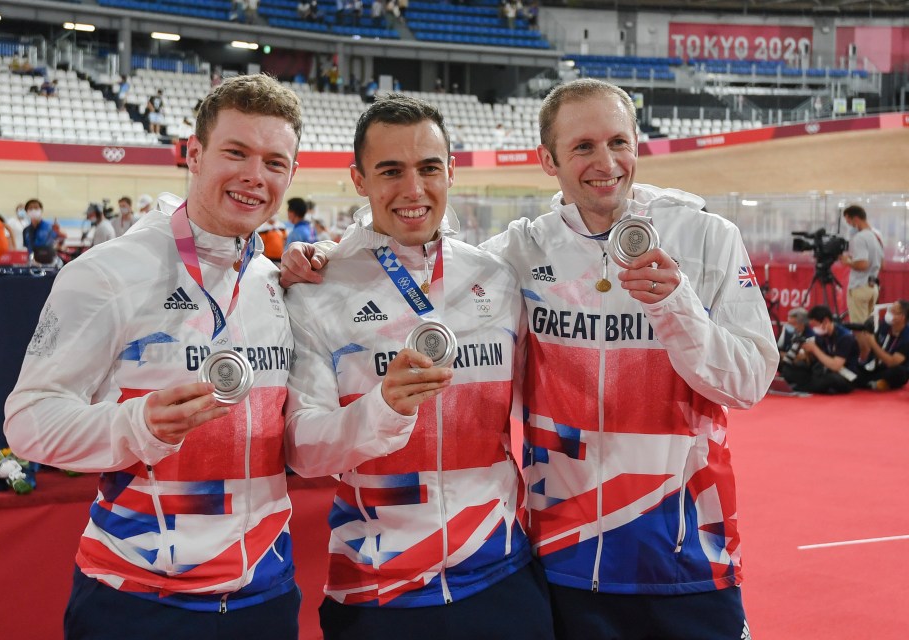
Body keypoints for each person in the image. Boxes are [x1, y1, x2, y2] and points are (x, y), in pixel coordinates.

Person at [282, 78, 778, 639]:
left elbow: (751, 382)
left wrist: (675, 305)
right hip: (563, 559)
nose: (605, 162)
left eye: (619, 141)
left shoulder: (708, 237)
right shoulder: (514, 256)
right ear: (549, 160)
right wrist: (333, 254)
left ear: (639, 144)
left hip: (688, 553)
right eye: (583, 147)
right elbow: (418, 250)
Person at [4, 74, 304, 640]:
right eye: (235, 153)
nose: (254, 176)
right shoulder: (106, 273)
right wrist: (135, 423)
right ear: (193, 154)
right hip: (136, 601)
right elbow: (27, 422)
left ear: (291, 173)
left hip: (265, 595)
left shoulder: (273, 278)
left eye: (273, 162)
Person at [284, 93, 552, 640]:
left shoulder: (496, 279)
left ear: (450, 171)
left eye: (429, 168)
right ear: (358, 180)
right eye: (390, 171)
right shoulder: (318, 289)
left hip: (501, 575)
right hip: (376, 591)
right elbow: (303, 451)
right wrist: (380, 410)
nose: (413, 190)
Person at [782, 305, 859, 395]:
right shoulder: (821, 335)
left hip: (845, 375)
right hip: (823, 371)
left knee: (830, 379)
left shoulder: (845, 337)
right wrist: (807, 354)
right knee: (789, 369)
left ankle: (802, 387)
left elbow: (836, 366)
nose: (814, 329)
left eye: (815, 325)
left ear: (826, 321)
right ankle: (806, 385)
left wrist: (814, 349)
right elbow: (814, 361)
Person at [840, 204, 883, 326]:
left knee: (859, 329)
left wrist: (847, 262)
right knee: (868, 329)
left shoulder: (860, 237)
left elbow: (863, 264)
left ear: (856, 219)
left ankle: (862, 346)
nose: (850, 226)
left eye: (849, 222)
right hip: (872, 287)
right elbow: (882, 264)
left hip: (860, 287)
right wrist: (855, 259)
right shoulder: (876, 236)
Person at [858, 300, 909, 391]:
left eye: (893, 312)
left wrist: (872, 343)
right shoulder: (884, 326)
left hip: (892, 369)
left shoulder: (906, 337)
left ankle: (869, 382)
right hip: (877, 366)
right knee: (855, 366)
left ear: (902, 317)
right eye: (890, 310)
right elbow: (871, 350)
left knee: (899, 372)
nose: (888, 314)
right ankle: (872, 382)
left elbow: (892, 362)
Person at [776, 306, 815, 373]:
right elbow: (778, 349)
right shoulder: (787, 331)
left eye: (792, 324)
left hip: (798, 369)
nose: (789, 326)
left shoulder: (810, 336)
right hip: (784, 363)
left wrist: (784, 355)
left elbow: (800, 358)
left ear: (802, 324)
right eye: (788, 323)